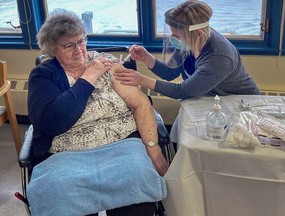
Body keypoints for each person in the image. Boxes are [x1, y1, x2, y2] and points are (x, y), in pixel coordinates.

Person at [27, 9, 168, 216]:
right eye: (68, 45)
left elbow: (140, 105)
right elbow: (51, 121)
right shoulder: (43, 75)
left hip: (121, 144)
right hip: (66, 153)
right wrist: (88, 78)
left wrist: (154, 152)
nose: (79, 50)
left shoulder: (108, 63)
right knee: (57, 192)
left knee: (138, 183)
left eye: (81, 41)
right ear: (52, 49)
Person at [113, 0, 260, 99]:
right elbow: (170, 72)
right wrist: (146, 57)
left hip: (239, 102)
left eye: (176, 35)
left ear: (199, 33)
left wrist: (142, 80)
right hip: (212, 97)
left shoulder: (219, 57)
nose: (172, 38)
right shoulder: (190, 41)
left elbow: (183, 91)